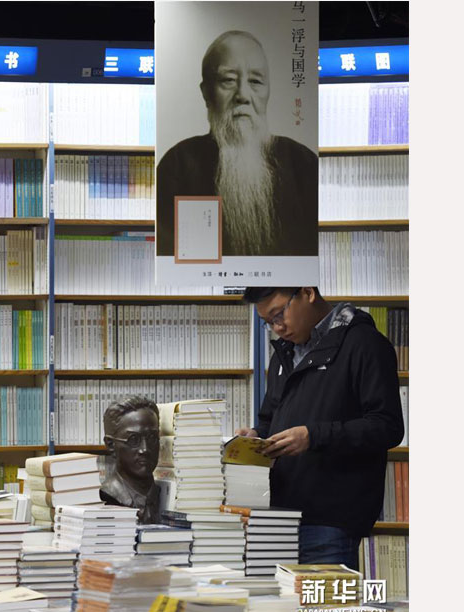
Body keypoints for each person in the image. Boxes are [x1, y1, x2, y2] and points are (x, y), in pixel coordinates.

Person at [237, 287, 404, 569]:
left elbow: (387, 426)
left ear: (307, 292)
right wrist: (255, 436)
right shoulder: (284, 355)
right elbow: (270, 418)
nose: (278, 328)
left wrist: (314, 436)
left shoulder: (364, 344)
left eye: (279, 314)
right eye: (269, 323)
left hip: (330, 521)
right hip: (276, 519)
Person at [156, 30, 317, 257]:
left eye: (255, 81)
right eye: (228, 80)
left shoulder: (303, 163)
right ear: (206, 92)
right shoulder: (178, 164)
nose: (243, 94)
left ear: (268, 90)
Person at [100, 396, 162, 524]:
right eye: (134, 440)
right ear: (111, 445)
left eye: (152, 438)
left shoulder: (166, 495)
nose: (144, 449)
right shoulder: (110, 495)